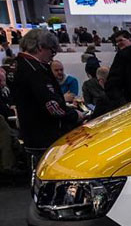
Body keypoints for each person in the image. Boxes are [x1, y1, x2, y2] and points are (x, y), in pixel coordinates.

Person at [11, 29, 82, 159]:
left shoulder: (19, 64)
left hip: (32, 134)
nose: (52, 56)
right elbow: (52, 106)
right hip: (45, 137)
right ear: (40, 47)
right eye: (52, 50)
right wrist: (74, 115)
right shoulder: (35, 70)